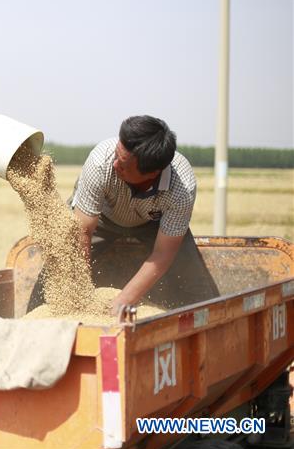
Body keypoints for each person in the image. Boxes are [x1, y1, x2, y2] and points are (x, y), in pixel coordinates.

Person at [71, 115, 219, 316]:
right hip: (101, 218)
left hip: (154, 222)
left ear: (152, 173)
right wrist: (79, 294)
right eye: (116, 155)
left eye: (122, 165)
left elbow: (163, 254)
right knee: (57, 268)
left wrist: (123, 301)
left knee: (195, 285)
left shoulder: (181, 188)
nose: (114, 165)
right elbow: (82, 231)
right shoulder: (100, 161)